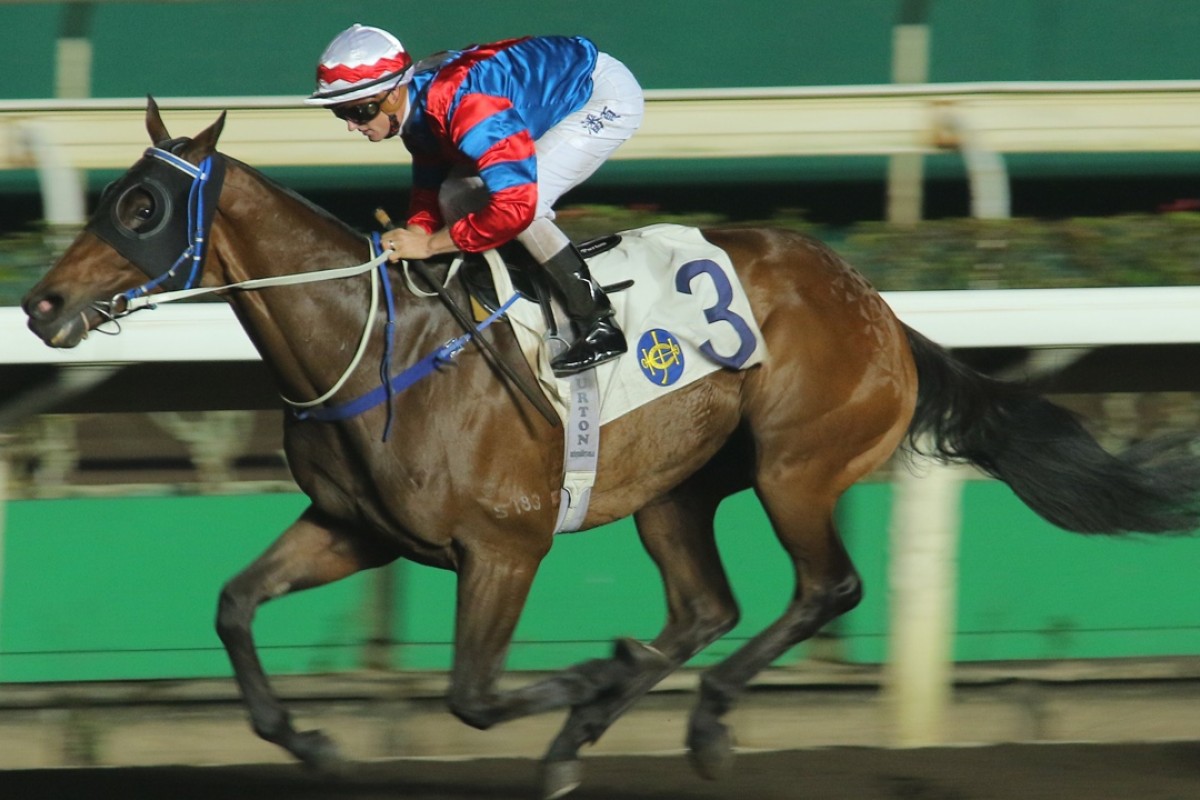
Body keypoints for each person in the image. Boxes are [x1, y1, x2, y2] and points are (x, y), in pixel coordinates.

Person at [305, 24, 645, 376]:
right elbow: (429, 178)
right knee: (453, 194)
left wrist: (431, 246)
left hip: (599, 96)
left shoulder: (465, 106)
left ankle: (598, 323)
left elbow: (515, 207)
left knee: (527, 204)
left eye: (359, 112)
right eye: (340, 113)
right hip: (535, 96)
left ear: (393, 95)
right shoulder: (412, 108)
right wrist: (418, 230)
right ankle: (517, 279)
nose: (351, 125)